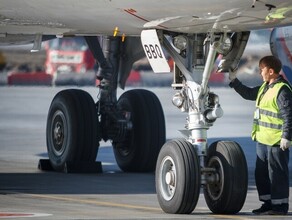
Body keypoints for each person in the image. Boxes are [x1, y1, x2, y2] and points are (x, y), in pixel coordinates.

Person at [229, 55, 292, 215]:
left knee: (277, 174)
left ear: (271, 71)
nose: (259, 72)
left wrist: (287, 136)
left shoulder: (282, 90)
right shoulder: (265, 88)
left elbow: (289, 115)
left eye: (261, 69)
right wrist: (234, 81)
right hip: (262, 140)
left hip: (277, 141)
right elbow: (248, 93)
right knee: (261, 174)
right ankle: (268, 203)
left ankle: (280, 207)